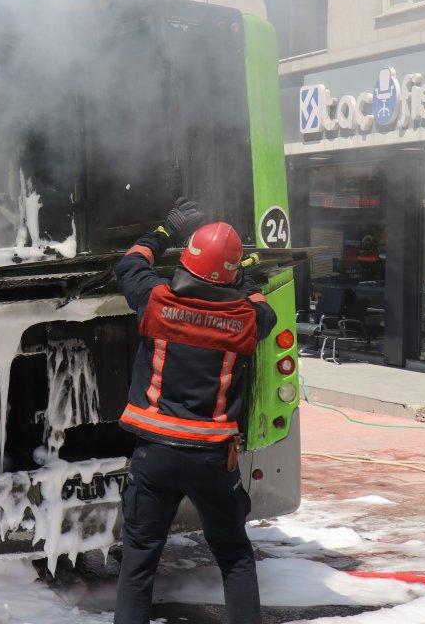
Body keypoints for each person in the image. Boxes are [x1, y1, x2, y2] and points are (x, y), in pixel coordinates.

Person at [113, 198, 277, 624]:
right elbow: (263, 308)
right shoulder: (246, 320)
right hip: (212, 459)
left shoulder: (155, 301)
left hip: (156, 455)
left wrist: (165, 230)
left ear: (186, 263)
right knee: (234, 556)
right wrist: (243, 277)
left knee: (139, 561)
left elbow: (131, 263)